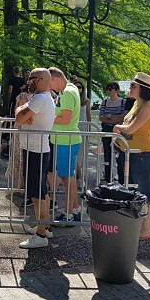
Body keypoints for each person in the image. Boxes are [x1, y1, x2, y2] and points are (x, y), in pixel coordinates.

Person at [113, 72, 150, 241]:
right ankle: (135, 225)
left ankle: (145, 229)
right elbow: (128, 126)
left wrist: (117, 127)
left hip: (142, 154)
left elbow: (130, 128)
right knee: (131, 189)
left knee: (144, 190)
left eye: (133, 86)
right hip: (130, 153)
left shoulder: (148, 106)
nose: (130, 88)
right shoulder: (136, 104)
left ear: (143, 89)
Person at [15, 68, 55, 249]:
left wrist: (22, 111)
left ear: (39, 80)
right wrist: (23, 110)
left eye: (30, 78)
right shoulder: (43, 98)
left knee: (37, 194)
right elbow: (21, 114)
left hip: (35, 150)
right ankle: (43, 227)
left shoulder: (39, 98)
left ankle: (40, 235)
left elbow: (18, 118)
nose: (28, 81)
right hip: (37, 149)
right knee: (42, 192)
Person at [47, 67, 82, 225]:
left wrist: (48, 117)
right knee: (69, 177)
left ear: (56, 79)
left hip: (65, 141)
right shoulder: (70, 89)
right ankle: (74, 210)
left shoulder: (67, 92)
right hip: (64, 140)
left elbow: (65, 119)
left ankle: (68, 214)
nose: (50, 86)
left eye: (50, 82)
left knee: (67, 178)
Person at [99, 81, 126, 182]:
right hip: (106, 129)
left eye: (111, 89)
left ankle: (121, 178)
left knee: (119, 154)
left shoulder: (123, 102)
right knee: (107, 154)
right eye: (107, 89)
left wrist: (109, 116)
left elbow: (122, 117)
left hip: (118, 130)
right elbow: (101, 117)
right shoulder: (105, 102)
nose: (108, 91)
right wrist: (113, 118)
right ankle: (108, 177)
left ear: (117, 90)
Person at [75, 81, 92, 184]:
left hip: (83, 128)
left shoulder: (86, 101)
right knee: (74, 154)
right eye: (76, 87)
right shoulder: (72, 99)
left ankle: (80, 176)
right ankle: (78, 175)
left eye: (80, 87)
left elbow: (88, 115)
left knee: (81, 154)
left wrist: (89, 130)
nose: (78, 89)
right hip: (74, 128)